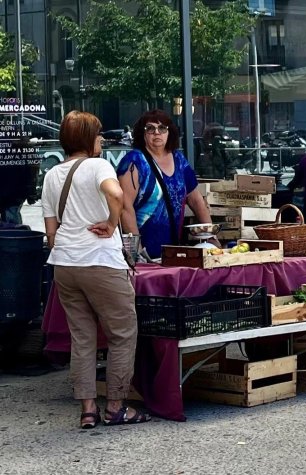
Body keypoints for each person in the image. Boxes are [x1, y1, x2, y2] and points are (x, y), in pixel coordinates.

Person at [41, 111, 150, 428]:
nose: (102, 140)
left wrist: (67, 244)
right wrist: (112, 224)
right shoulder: (98, 166)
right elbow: (117, 195)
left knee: (83, 337)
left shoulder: (52, 175)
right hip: (100, 261)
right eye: (99, 135)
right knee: (122, 333)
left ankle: (88, 409)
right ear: (88, 138)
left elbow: (51, 231)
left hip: (65, 264)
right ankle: (116, 407)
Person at [117, 110, 215, 259]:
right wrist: (137, 251)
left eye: (162, 128)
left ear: (169, 132)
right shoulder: (134, 161)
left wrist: (211, 237)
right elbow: (125, 207)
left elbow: (196, 200)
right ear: (142, 134)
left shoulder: (179, 159)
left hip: (174, 250)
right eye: (150, 128)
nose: (157, 133)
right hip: (144, 252)